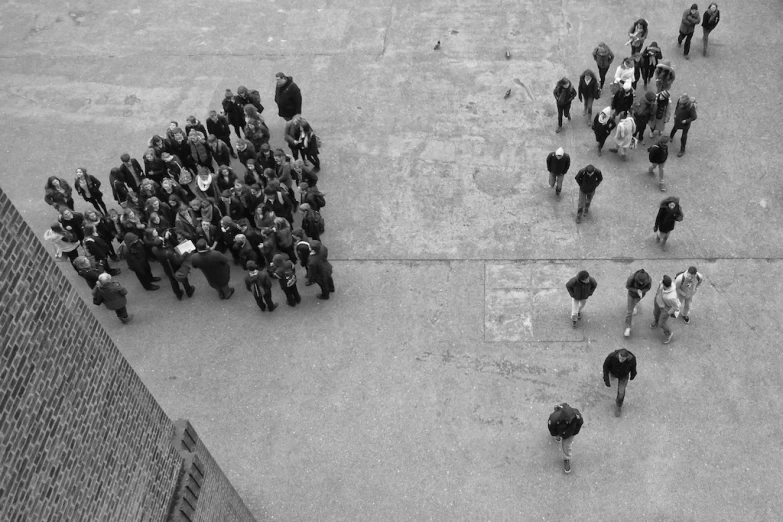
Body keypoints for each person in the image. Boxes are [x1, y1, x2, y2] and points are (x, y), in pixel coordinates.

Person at [151, 231, 196, 300]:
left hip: (167, 268)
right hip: (174, 267)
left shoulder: (154, 249)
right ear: (162, 243)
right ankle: (189, 291)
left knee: (173, 281)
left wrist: (165, 238)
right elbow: (179, 261)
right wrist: (187, 252)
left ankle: (178, 294)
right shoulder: (168, 253)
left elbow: (161, 245)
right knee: (183, 279)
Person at [547, 403, 583, 474]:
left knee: (567, 446)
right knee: (557, 436)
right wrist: (556, 435)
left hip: (570, 433)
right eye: (567, 420)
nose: (569, 421)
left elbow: (579, 424)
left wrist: (572, 434)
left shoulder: (577, 416)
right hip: (559, 430)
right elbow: (551, 428)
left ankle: (566, 459)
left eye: (570, 420)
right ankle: (558, 437)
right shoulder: (554, 418)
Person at [603, 349, 637, 416]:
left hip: (624, 376)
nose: (621, 360)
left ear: (626, 357)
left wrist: (633, 374)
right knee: (612, 377)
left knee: (621, 392)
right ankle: (612, 377)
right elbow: (605, 366)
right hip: (613, 372)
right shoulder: (611, 356)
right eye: (620, 358)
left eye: (623, 359)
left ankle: (619, 406)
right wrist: (606, 378)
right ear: (618, 355)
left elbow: (633, 367)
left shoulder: (632, 359)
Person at [651, 275, 680, 344]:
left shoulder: (672, 297)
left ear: (665, 285)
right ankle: (656, 321)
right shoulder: (662, 283)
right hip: (658, 303)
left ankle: (669, 333)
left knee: (662, 323)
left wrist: (668, 313)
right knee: (655, 313)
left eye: (662, 281)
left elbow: (675, 307)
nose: (660, 281)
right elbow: (659, 289)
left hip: (665, 309)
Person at [624, 269, 652, 337]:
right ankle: (628, 327)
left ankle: (634, 306)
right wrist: (637, 290)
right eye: (640, 282)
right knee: (629, 312)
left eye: (643, 282)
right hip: (631, 295)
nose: (642, 283)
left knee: (635, 302)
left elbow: (648, 288)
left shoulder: (648, 279)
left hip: (640, 295)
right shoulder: (632, 278)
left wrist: (641, 291)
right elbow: (627, 286)